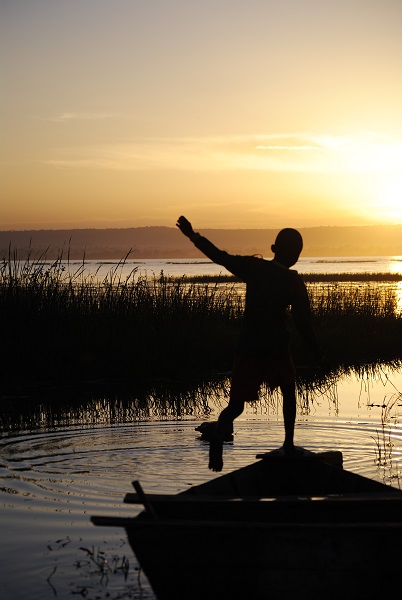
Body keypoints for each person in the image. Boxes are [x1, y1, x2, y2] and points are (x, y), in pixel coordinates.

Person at [176, 216, 325, 471]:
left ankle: (218, 439)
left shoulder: (255, 268)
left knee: (236, 406)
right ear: (295, 255)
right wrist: (319, 356)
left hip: (250, 348)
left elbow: (220, 256)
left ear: (274, 250)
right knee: (289, 392)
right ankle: (288, 444)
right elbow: (303, 325)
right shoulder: (293, 281)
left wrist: (193, 235)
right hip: (276, 349)